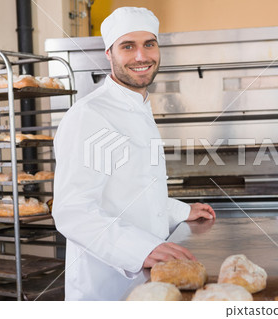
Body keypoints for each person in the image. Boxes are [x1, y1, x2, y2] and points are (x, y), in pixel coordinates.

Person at [52, 7, 216, 301]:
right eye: (128, 46)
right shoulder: (90, 115)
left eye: (149, 44)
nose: (141, 56)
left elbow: (136, 192)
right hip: (106, 286)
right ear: (109, 53)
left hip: (147, 282)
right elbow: (73, 210)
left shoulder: (139, 107)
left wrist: (181, 211)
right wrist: (141, 250)